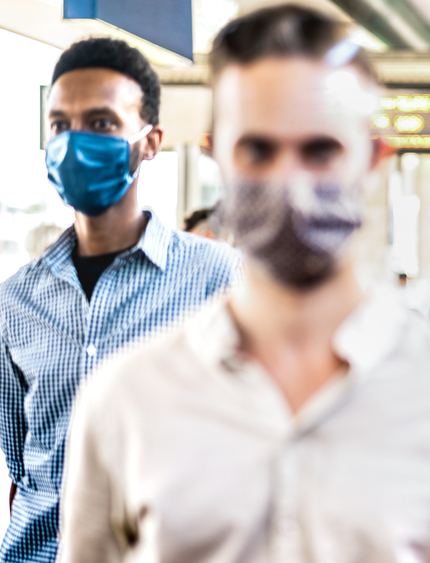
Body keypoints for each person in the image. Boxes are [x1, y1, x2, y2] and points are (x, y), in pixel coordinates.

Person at [57, 6, 430, 562]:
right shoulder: (127, 400)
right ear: (217, 154)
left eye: (320, 149)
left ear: (372, 157)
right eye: (259, 149)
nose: (290, 180)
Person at [0, 38, 241, 562]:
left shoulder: (217, 281)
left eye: (103, 123)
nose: (75, 142)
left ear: (149, 142)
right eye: (61, 125)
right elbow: (22, 460)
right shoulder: (15, 300)